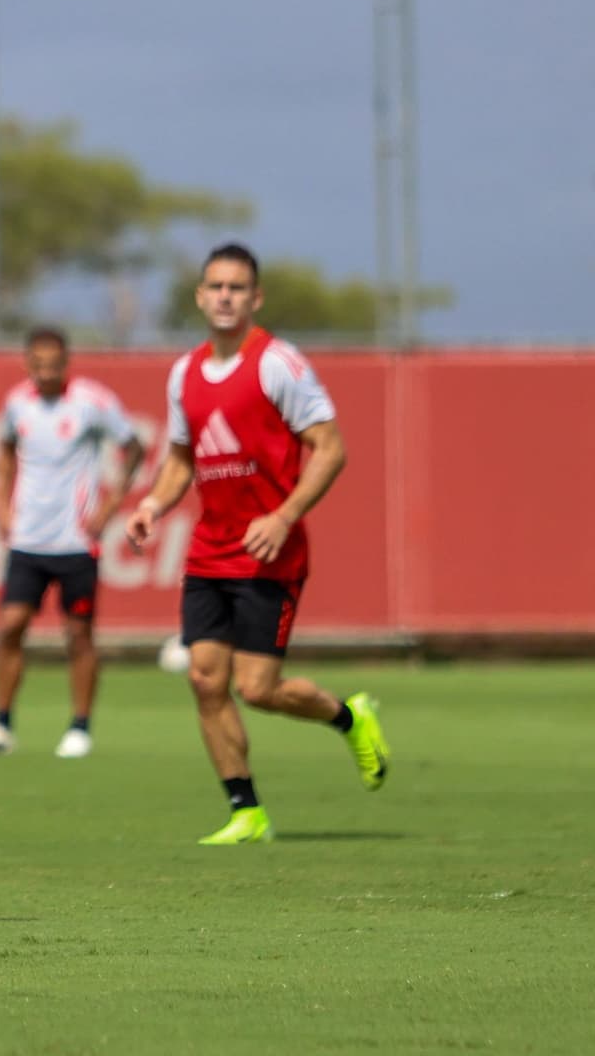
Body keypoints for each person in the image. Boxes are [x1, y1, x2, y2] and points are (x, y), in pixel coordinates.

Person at [125, 243, 390, 845]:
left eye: (237, 288)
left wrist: (285, 513)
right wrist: (151, 504)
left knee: (258, 689)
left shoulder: (278, 364)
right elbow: (180, 459)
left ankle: (350, 717)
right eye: (215, 286)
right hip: (208, 552)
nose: (225, 296)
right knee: (204, 679)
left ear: (256, 297)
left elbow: (331, 448)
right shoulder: (184, 372)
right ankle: (246, 810)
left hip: (270, 553)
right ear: (199, 296)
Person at [0, 327, 144, 759]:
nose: (45, 373)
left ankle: (80, 726)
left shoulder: (92, 402)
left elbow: (134, 447)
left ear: (66, 363)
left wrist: (111, 504)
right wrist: (1, 504)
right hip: (28, 539)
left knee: (78, 635)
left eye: (53, 365)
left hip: (76, 542)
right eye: (37, 365)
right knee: (10, 627)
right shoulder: (17, 402)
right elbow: (6, 451)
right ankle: (0, 724)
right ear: (28, 364)